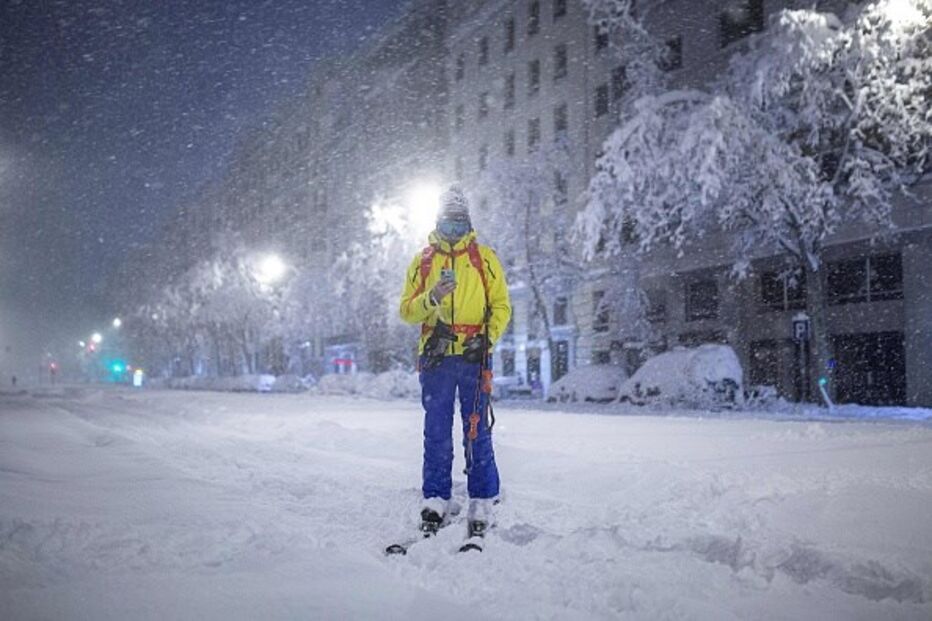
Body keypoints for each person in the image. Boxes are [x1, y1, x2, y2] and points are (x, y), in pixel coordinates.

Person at [399, 186, 511, 544]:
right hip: (437, 358)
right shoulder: (423, 261)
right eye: (447, 223)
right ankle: (435, 495)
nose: (453, 230)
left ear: (468, 222)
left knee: (477, 429)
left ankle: (483, 494)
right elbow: (406, 310)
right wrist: (433, 298)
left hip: (474, 356)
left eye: (459, 223)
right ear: (437, 222)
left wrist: (487, 338)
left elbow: (502, 306)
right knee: (436, 430)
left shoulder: (485, 259)